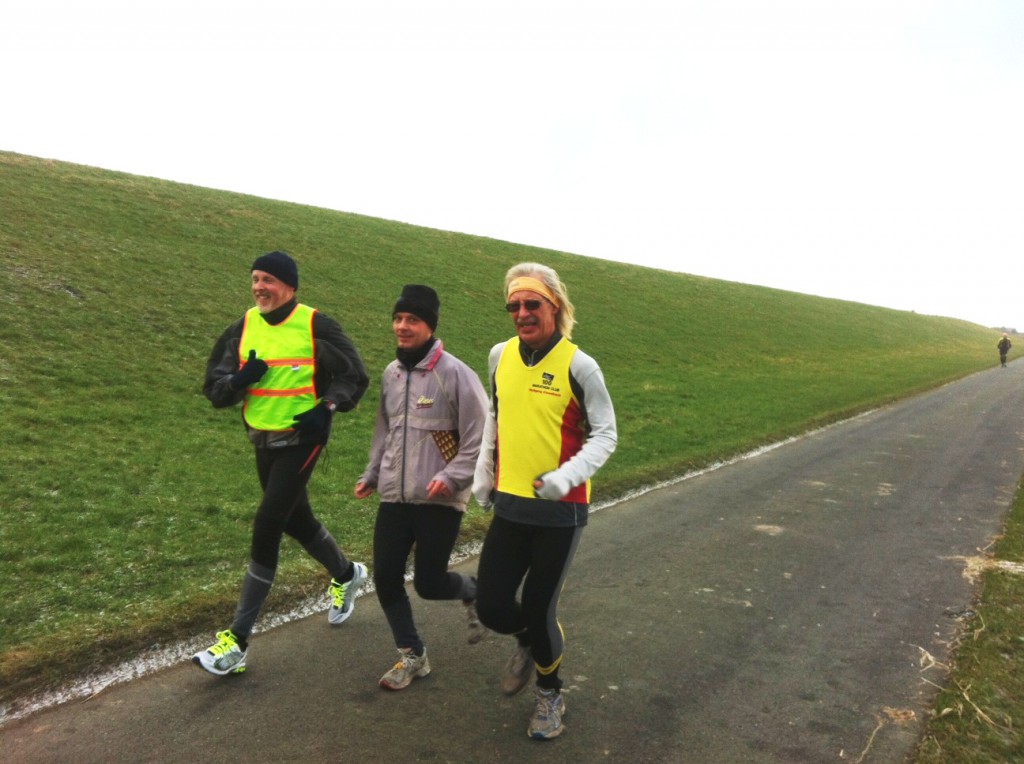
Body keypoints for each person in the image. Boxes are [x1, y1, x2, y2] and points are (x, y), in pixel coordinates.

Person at [193, 250, 370, 676]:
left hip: (302, 438)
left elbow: (355, 375)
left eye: (268, 280)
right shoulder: (243, 326)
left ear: (290, 286)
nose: (259, 288)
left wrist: (327, 406)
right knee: (295, 520)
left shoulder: (315, 325)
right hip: (262, 438)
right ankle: (347, 574)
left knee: (269, 522)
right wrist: (239, 379)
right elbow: (213, 389)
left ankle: (236, 643)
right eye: (255, 279)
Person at [472, 262, 617, 740]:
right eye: (513, 305)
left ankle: (551, 694)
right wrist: (483, 472)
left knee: (539, 607)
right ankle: (530, 645)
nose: (521, 313)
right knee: (492, 605)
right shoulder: (500, 356)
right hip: (511, 505)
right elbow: (497, 417)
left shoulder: (580, 365)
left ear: (554, 307)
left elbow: (605, 435)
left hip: (561, 510)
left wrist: (565, 476)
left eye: (532, 304)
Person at [355, 284, 489, 690]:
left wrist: (450, 478)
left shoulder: (455, 374)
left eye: (412, 319)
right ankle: (413, 655)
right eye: (397, 319)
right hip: (394, 496)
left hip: (439, 500)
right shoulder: (391, 375)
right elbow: (385, 432)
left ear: (429, 326)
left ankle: (473, 590)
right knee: (386, 578)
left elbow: (481, 436)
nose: (402, 326)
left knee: (429, 583)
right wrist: (372, 474)